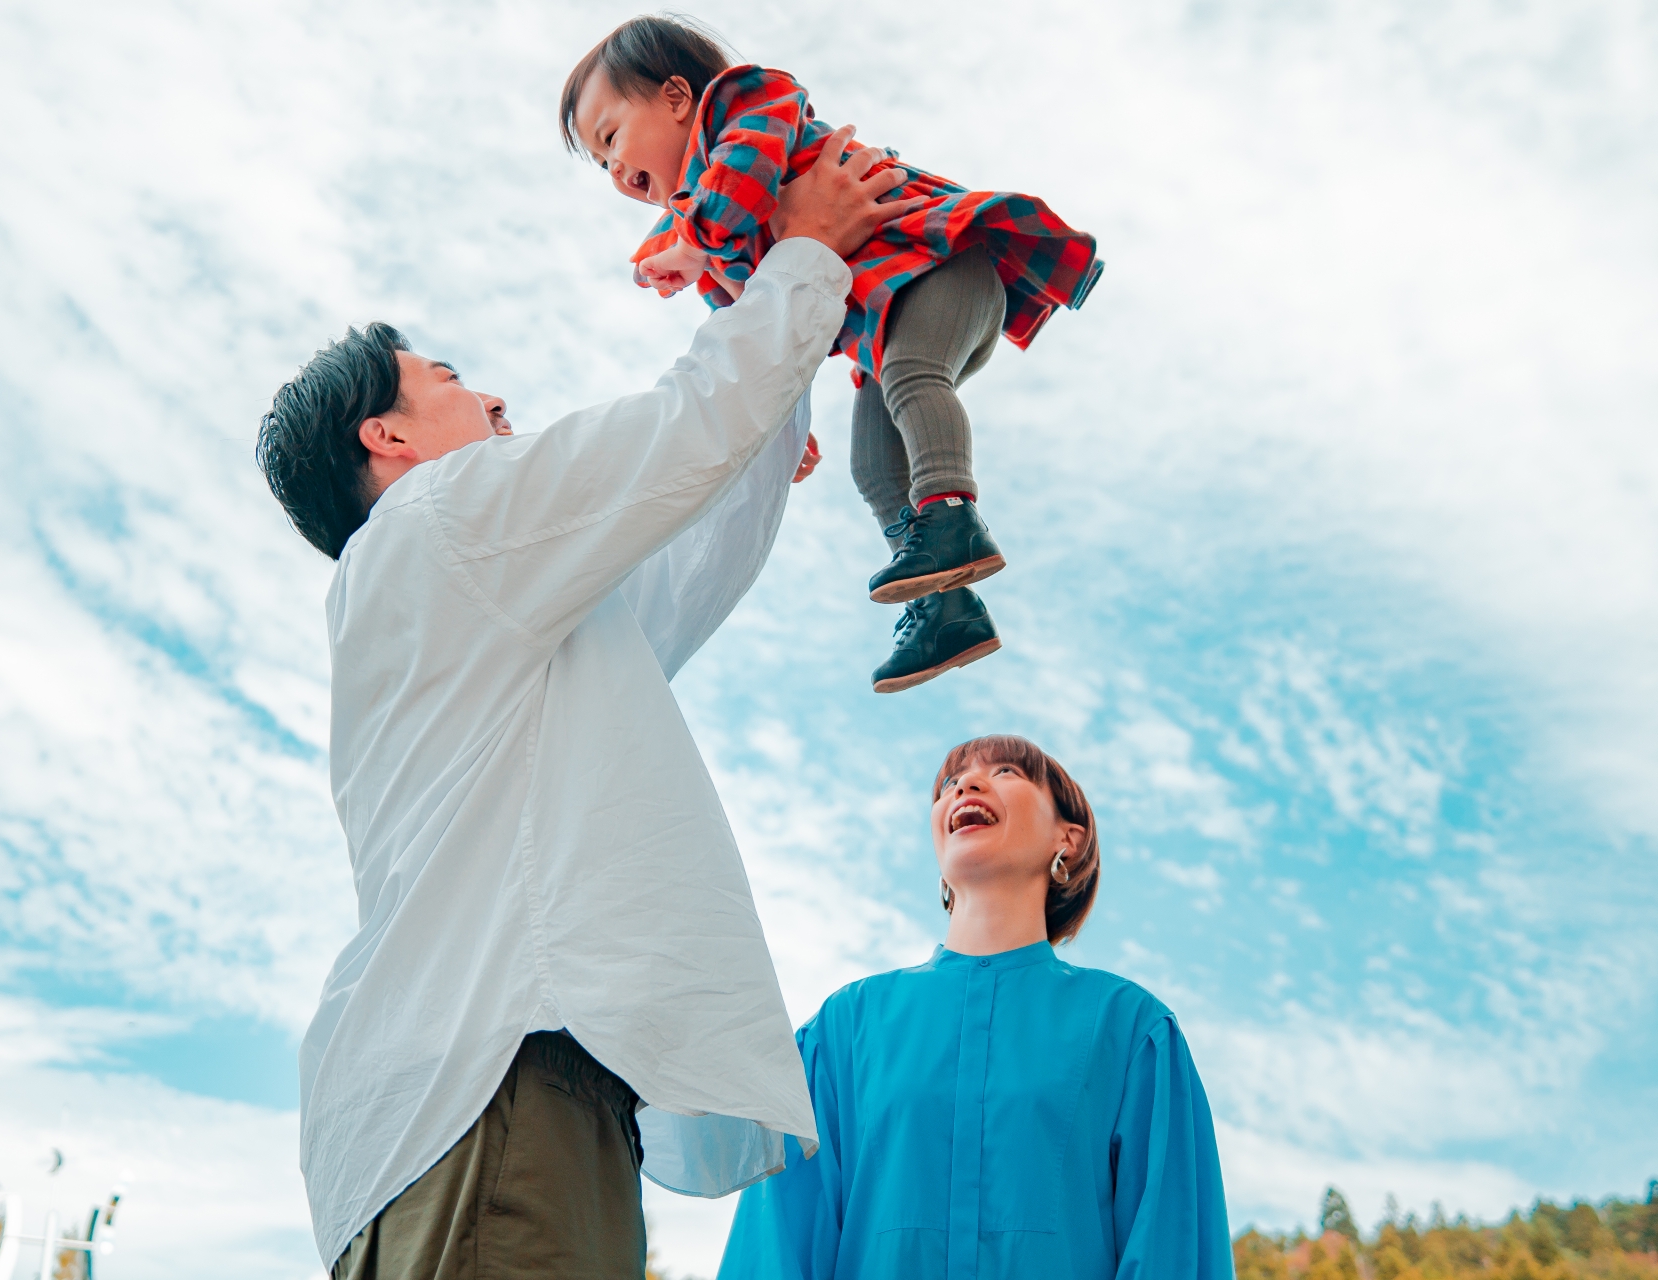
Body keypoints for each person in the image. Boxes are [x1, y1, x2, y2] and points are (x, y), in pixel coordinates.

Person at [254, 131, 918, 1279]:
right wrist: (804, 251)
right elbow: (673, 437)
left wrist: (770, 386)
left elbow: (681, 558)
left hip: (510, 1088)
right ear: (391, 437)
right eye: (452, 379)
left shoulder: (474, 594)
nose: (495, 393)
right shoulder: (439, 524)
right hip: (497, 1086)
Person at [559, 16, 1104, 695]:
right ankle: (948, 610)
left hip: (942, 268)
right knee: (873, 467)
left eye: (611, 137)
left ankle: (954, 516)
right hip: (889, 325)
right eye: (601, 162)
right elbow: (763, 326)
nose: (614, 170)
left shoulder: (745, 104)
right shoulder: (702, 231)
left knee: (911, 375)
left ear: (675, 98)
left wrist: (695, 246)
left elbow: (743, 187)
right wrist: (777, 420)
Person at [717, 734, 1235, 1280]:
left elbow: (1173, 1251)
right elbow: (773, 1252)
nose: (965, 783)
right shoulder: (842, 1031)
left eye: (1008, 771)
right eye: (948, 783)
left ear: (1070, 838)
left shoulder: (1131, 1031)